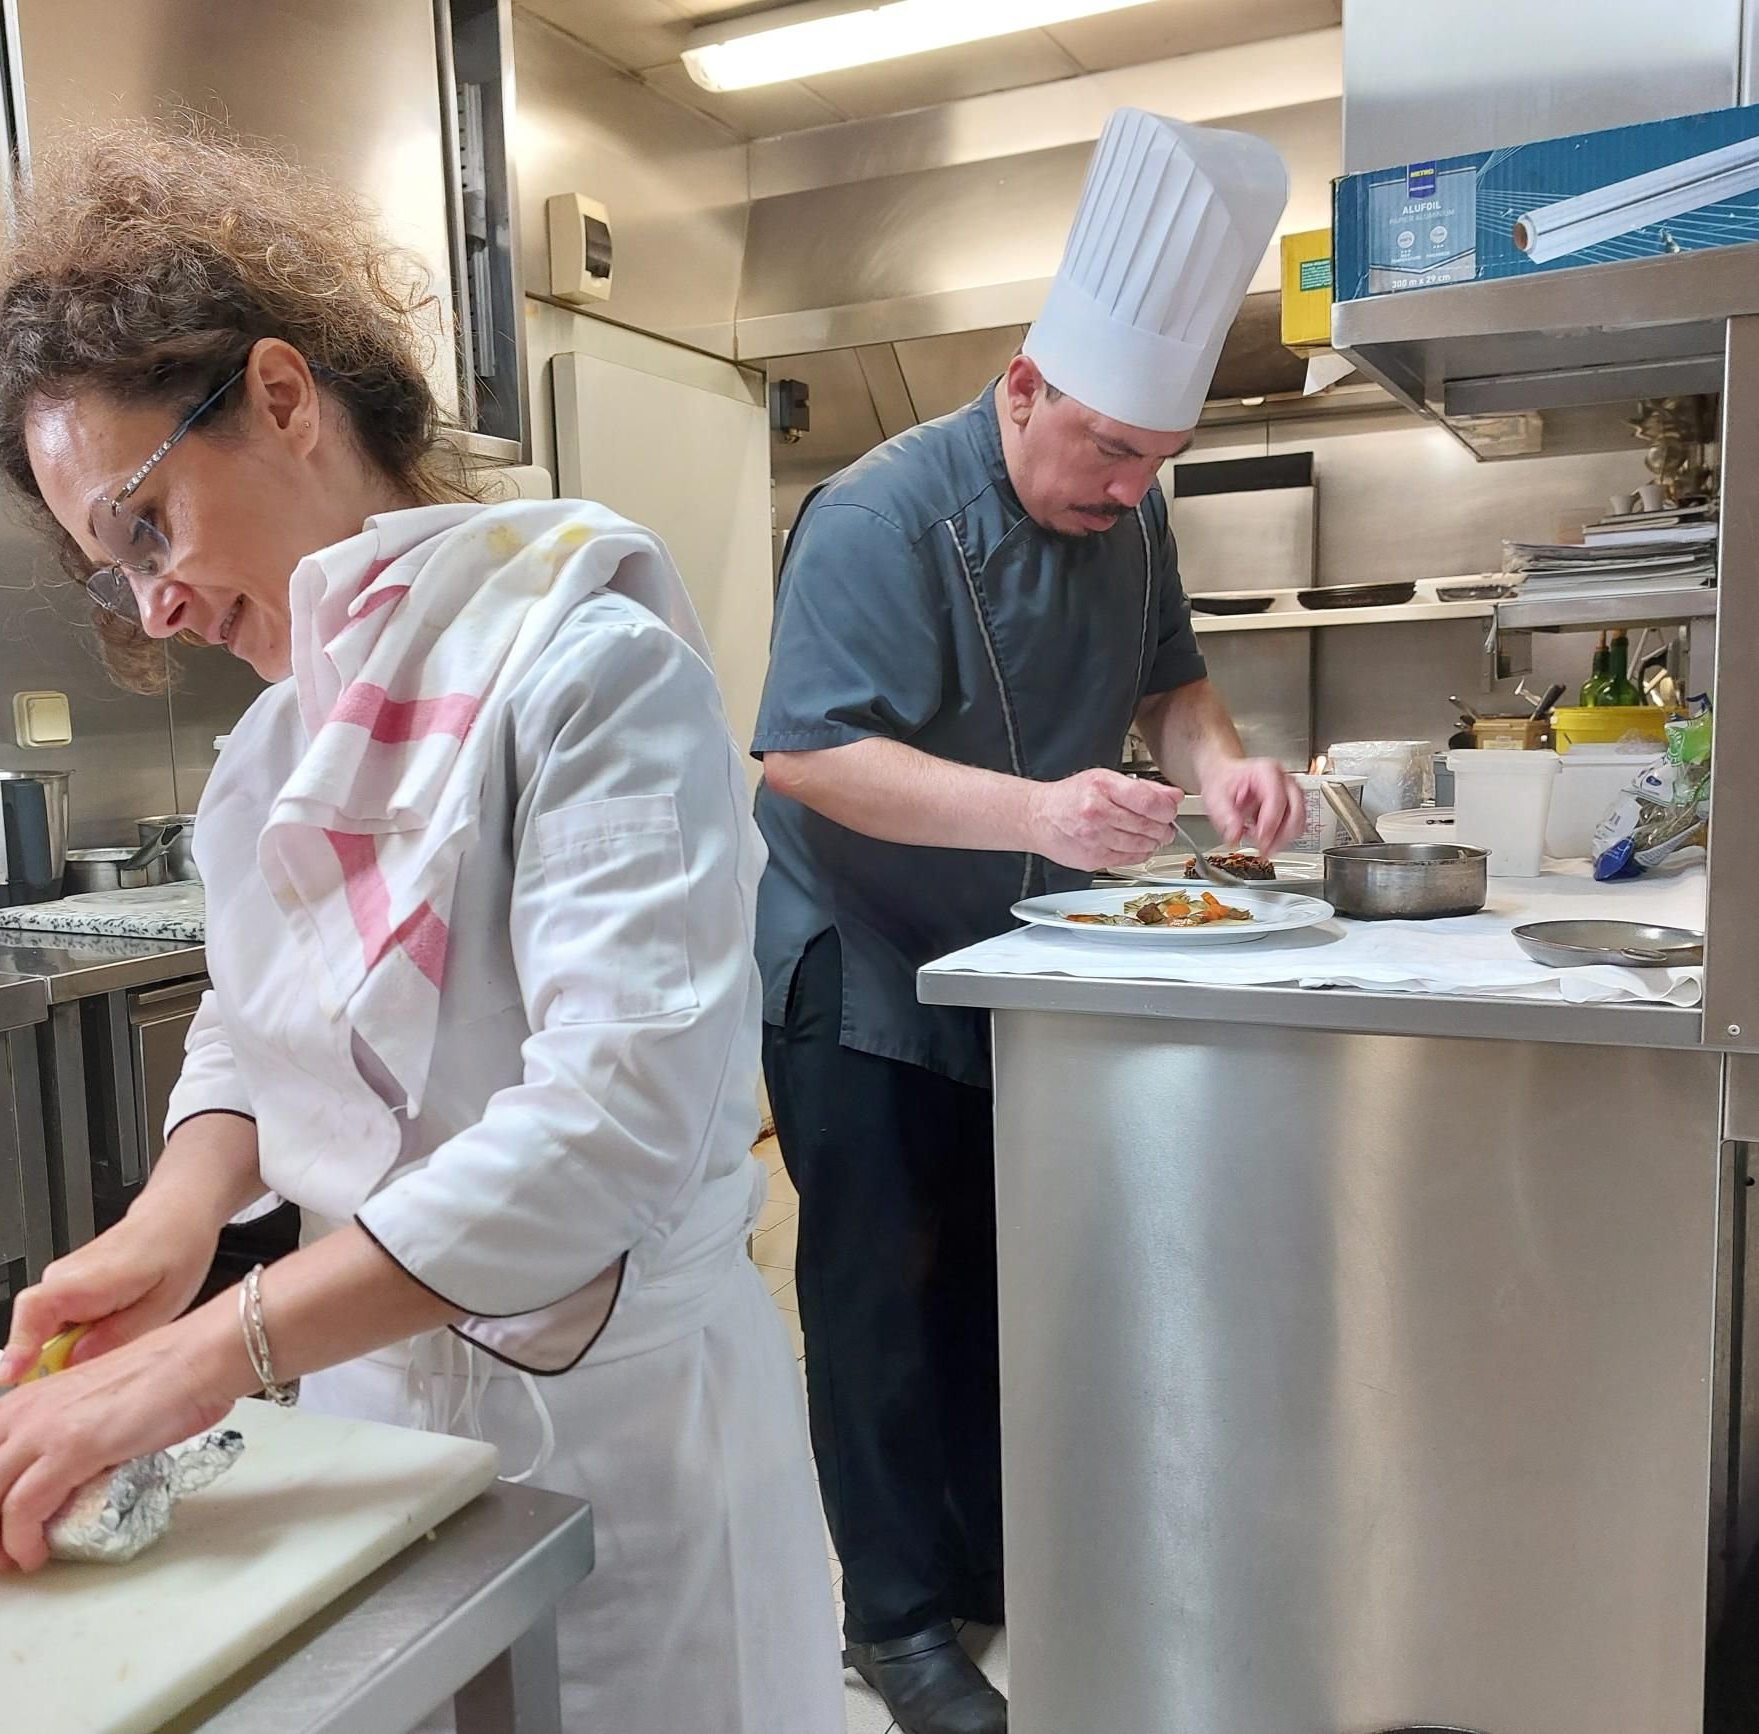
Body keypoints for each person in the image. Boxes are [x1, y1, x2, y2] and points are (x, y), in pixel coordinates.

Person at [0, 125, 843, 1734]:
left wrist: (204, 1352)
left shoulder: (587, 666)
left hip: (625, 1431)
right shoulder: (277, 742)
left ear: (279, 394)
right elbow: (256, 1021)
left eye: (145, 525)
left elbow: (612, 1122)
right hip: (371, 1413)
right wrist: (177, 1218)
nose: (153, 608)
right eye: (105, 570)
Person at [752, 110, 1303, 1734]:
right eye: (1107, 452)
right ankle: (896, 1621)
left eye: (1154, 462)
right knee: (877, 1296)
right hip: (853, 962)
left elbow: (1176, 687)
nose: (1128, 486)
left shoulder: (1131, 514)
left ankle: (992, 1563)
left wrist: (1230, 770)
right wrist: (1043, 815)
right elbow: (806, 752)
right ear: (1020, 385)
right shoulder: (874, 517)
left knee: (997, 1277)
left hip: (1008, 967)